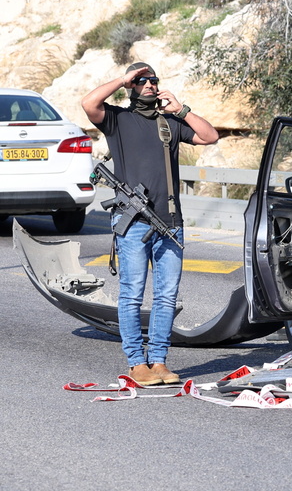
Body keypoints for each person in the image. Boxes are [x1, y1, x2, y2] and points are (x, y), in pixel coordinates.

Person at [81, 62, 219, 385]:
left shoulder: (168, 123)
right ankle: (136, 363)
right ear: (131, 86)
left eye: (153, 80)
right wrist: (121, 79)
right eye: (141, 81)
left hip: (170, 222)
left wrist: (182, 110)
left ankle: (158, 361)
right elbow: (89, 104)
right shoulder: (118, 120)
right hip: (134, 224)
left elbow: (210, 136)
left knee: (167, 295)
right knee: (131, 294)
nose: (149, 85)